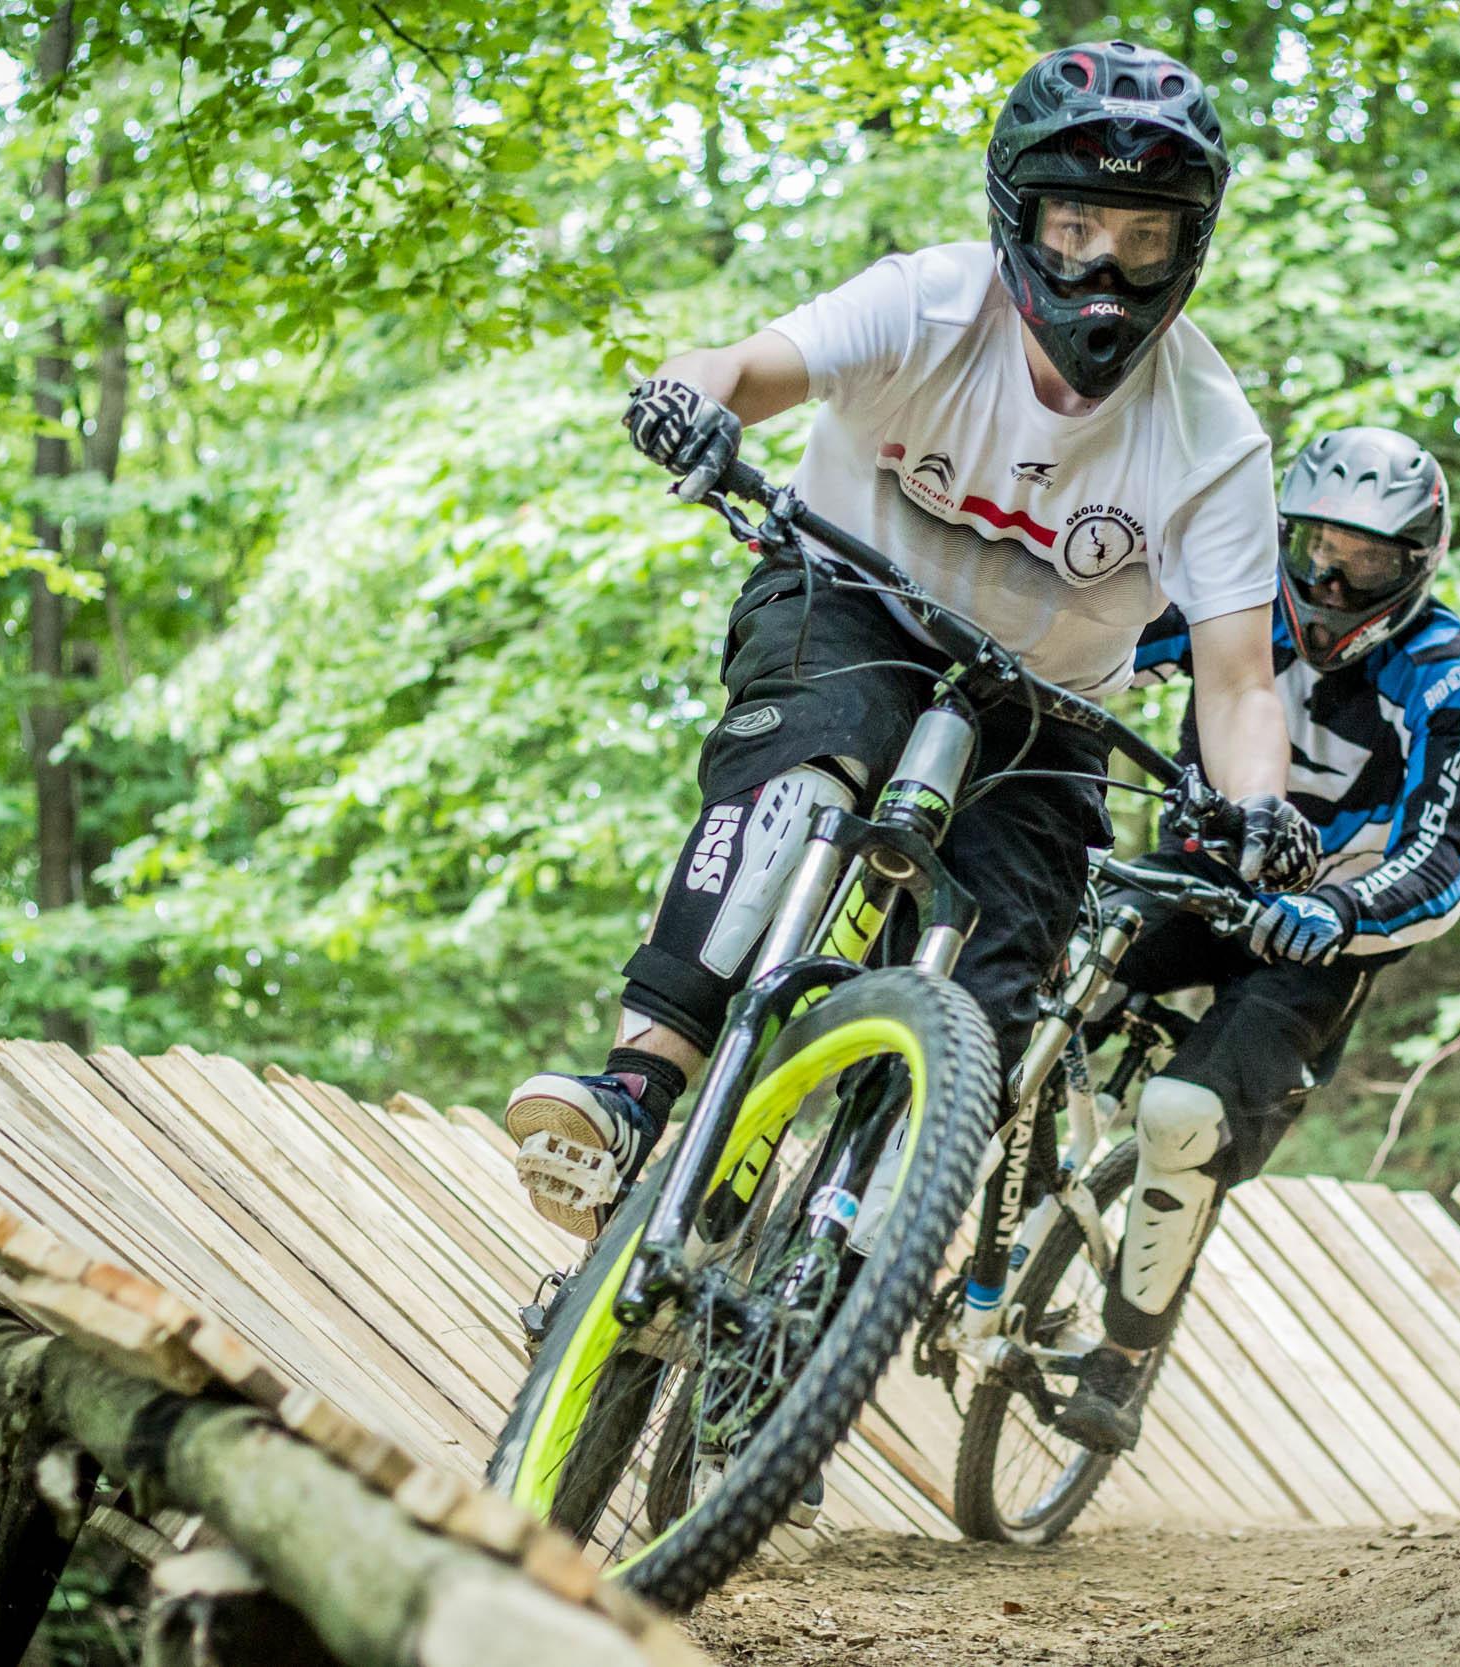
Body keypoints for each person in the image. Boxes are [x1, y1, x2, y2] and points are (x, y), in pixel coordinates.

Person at [503, 41, 1323, 1244]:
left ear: (1185, 247)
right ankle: (632, 1095)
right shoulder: (929, 300)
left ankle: (850, 1259)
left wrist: (1257, 806)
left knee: (994, 996)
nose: (1103, 268)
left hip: (1045, 711)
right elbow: (739, 365)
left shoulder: (1214, 436)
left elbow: (1240, 679)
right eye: (1074, 228)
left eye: (1142, 238)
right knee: (807, 767)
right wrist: (688, 399)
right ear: (1018, 220)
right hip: (847, 601)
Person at [1054, 425, 1460, 1454]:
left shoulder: (1452, 679)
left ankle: (1120, 1358)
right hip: (1198, 877)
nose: (1332, 581)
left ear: (1418, 562)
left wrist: (1338, 913)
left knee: (1181, 1114)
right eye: (1317, 547)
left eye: (1366, 561)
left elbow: (1443, 860)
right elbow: (1083, 660)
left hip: (1326, 935)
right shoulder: (1237, 600)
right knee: (1040, 973)